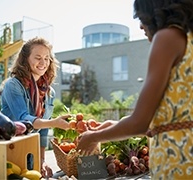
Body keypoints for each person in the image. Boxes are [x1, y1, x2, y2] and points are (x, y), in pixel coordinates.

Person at [77, 0, 193, 179]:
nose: (140, 25)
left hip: (178, 161)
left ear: (157, 12)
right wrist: (112, 126)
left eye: (142, 17)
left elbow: (140, 123)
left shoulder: (167, 38)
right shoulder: (188, 41)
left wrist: (93, 137)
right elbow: (171, 117)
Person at [1, 37, 70, 178]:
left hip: (30, 153)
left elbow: (42, 132)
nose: (43, 63)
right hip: (9, 150)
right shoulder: (13, 85)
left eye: (46, 58)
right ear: (25, 59)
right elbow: (24, 120)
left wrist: (42, 160)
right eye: (37, 57)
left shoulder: (49, 92)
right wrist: (55, 122)